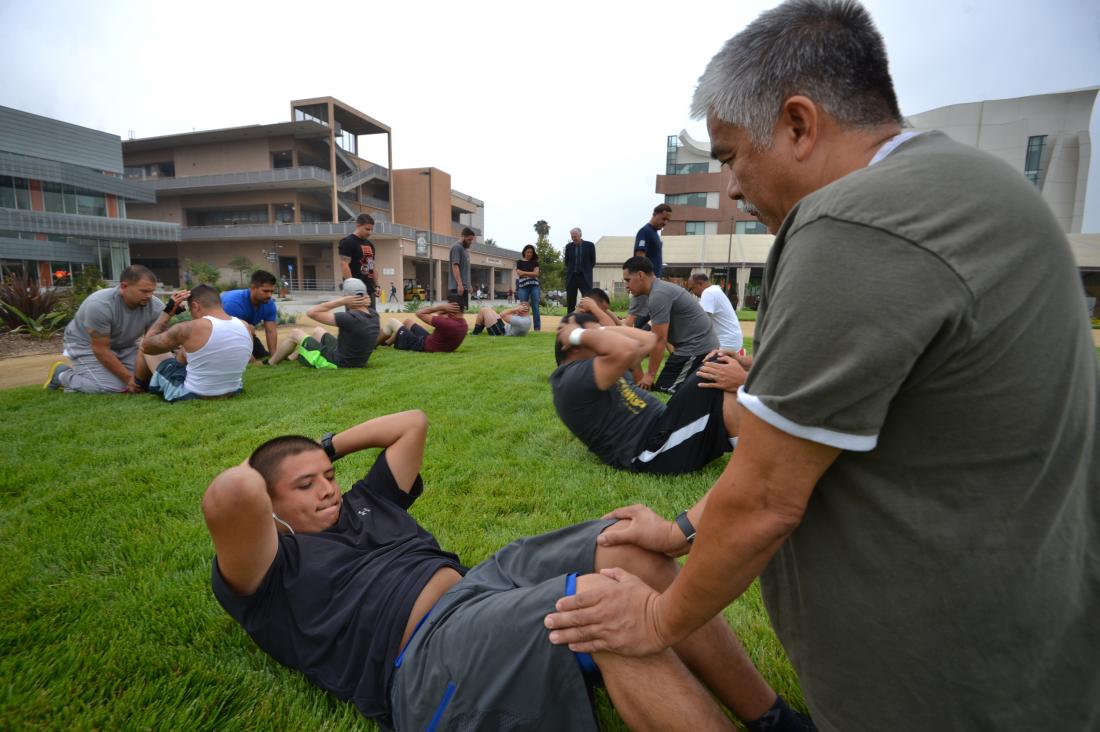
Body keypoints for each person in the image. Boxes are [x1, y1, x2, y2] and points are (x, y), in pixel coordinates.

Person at [543, 1, 1100, 729]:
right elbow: (803, 444)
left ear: (799, 124)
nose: (734, 187)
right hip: (1032, 652)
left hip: (946, 694)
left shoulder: (851, 222)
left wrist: (655, 619)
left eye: (732, 156)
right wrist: (680, 532)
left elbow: (768, 493)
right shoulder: (980, 185)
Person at [202, 411, 811, 731]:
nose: (327, 491)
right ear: (271, 506)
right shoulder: (272, 572)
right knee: (604, 608)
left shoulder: (367, 502)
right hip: (421, 657)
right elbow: (231, 494)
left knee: (632, 550)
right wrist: (266, 468)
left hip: (483, 586)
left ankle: (772, 718)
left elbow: (411, 421)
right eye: (304, 487)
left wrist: (319, 449)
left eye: (328, 478)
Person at [550, 312, 744, 474]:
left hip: (665, 429)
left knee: (720, 367)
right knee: (717, 367)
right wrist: (578, 334)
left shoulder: (594, 368)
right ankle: (748, 463)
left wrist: (597, 330)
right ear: (570, 344)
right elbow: (628, 347)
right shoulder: (571, 378)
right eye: (588, 335)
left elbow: (648, 340)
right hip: (652, 452)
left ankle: (748, 452)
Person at [45, 265, 164, 394]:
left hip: (125, 346)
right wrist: (129, 378)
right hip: (86, 345)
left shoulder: (156, 306)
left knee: (145, 381)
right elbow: (100, 349)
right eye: (144, 291)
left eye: (152, 291)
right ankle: (62, 375)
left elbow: (152, 344)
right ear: (124, 287)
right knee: (113, 388)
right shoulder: (100, 304)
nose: (149, 296)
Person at [138, 284, 253, 402]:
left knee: (143, 341)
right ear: (219, 304)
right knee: (187, 349)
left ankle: (136, 385)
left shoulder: (189, 328)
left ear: (195, 306)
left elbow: (147, 346)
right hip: (233, 390)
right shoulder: (246, 326)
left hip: (192, 394)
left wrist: (167, 312)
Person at [622, 256, 717, 393]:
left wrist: (649, 375)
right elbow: (640, 330)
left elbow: (659, 339)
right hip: (687, 347)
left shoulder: (659, 295)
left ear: (640, 275)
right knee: (664, 385)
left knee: (665, 389)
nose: (626, 285)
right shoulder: (649, 293)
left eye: (627, 280)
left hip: (697, 348)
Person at [268, 279, 379, 369]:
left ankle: (270, 363)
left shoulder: (349, 318)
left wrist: (341, 301)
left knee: (295, 333)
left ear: (347, 296)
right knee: (318, 331)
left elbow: (311, 313)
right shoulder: (374, 315)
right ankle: (291, 358)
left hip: (338, 363)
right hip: (354, 358)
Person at [220, 270, 279, 362]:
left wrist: (274, 357)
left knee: (262, 355)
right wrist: (252, 361)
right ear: (253, 288)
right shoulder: (233, 302)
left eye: (272, 291)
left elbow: (271, 331)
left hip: (247, 334)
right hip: (222, 336)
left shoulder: (269, 303)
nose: (269, 295)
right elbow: (230, 333)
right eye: (266, 291)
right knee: (248, 329)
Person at [376, 297, 467, 353]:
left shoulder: (446, 323)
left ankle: (372, 345)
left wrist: (441, 307)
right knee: (407, 322)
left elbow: (419, 313)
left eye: (448, 305)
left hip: (422, 345)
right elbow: (440, 314)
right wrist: (445, 310)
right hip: (432, 342)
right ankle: (386, 343)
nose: (445, 306)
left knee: (392, 322)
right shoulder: (463, 324)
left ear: (453, 308)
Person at [689, 273, 743, 353]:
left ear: (700, 284)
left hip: (726, 342)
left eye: (692, 289)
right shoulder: (714, 289)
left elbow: (701, 321)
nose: (692, 293)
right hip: (732, 339)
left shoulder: (708, 293)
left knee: (696, 360)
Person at [634, 203, 672, 279]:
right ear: (654, 214)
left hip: (654, 281)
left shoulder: (654, 233)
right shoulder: (645, 231)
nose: (665, 223)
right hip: (648, 282)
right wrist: (650, 277)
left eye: (668, 220)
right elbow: (639, 258)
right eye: (663, 219)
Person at [563, 227, 596, 314]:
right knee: (570, 300)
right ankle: (569, 320)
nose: (574, 238)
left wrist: (586, 270)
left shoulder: (590, 245)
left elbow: (593, 261)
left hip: (584, 277)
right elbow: (566, 262)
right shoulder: (568, 247)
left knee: (588, 299)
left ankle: (588, 319)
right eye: (572, 236)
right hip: (572, 277)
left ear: (580, 235)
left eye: (575, 236)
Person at [338, 213, 375, 289]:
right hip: (356, 289)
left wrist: (377, 286)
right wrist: (352, 286)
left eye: (371, 230)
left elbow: (372, 267)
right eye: (367, 229)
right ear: (358, 226)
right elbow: (344, 264)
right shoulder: (348, 241)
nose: (369, 232)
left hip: (370, 288)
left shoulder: (370, 244)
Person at [516, 244, 541, 331]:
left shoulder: (535, 263)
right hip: (523, 287)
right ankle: (522, 328)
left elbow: (536, 274)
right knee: (523, 307)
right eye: (528, 252)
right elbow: (519, 273)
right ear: (524, 252)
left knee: (535, 307)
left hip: (534, 287)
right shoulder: (519, 262)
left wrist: (524, 273)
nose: (529, 254)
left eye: (531, 252)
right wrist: (531, 273)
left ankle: (537, 329)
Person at [448, 227, 475, 311]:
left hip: (464, 287)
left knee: (462, 312)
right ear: (463, 236)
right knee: (455, 313)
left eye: (471, 240)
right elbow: (455, 266)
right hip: (457, 288)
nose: (470, 242)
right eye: (469, 240)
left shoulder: (465, 250)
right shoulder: (456, 247)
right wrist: (459, 284)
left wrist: (469, 285)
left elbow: (465, 270)